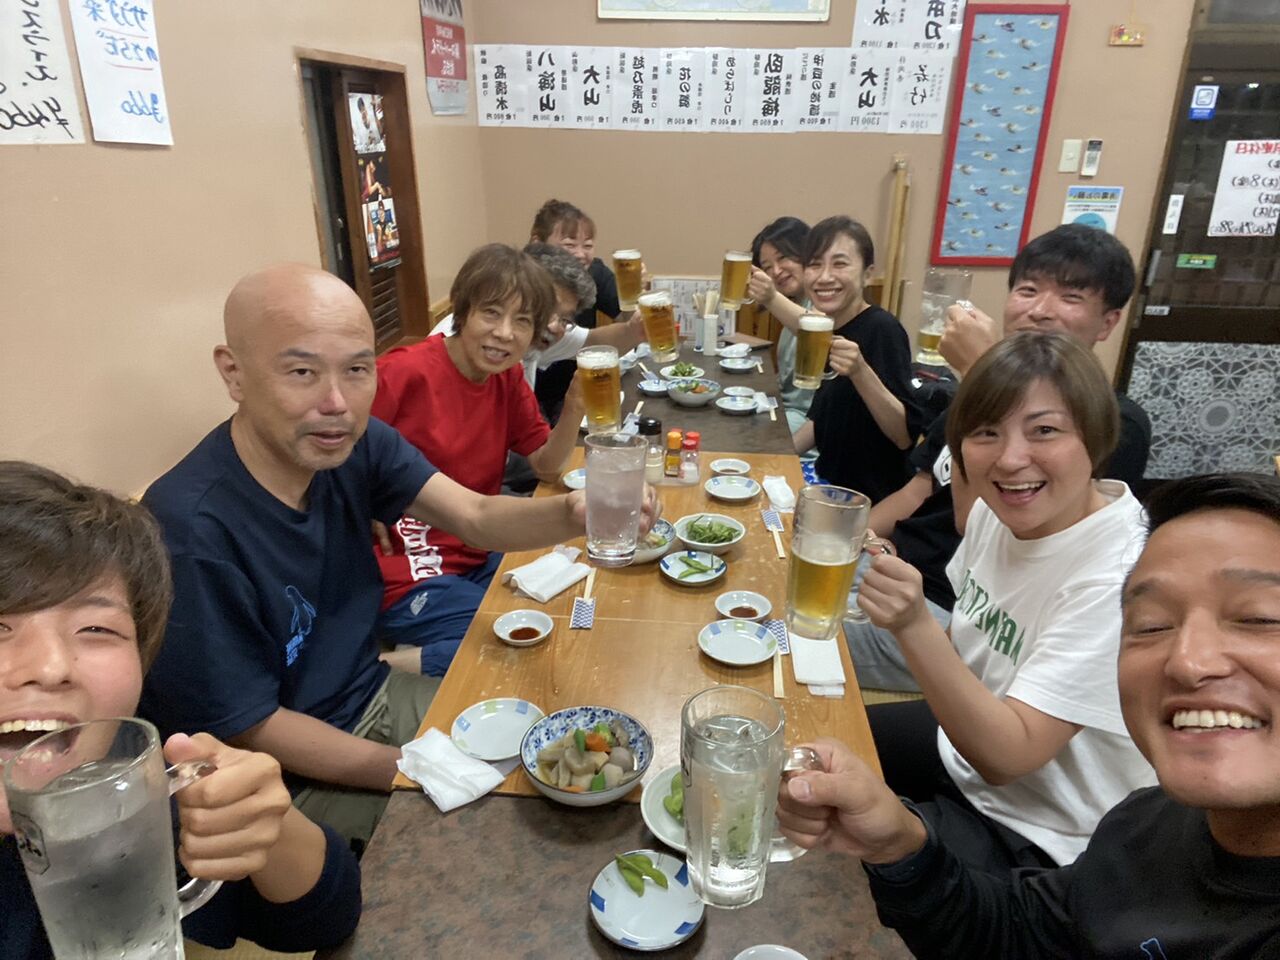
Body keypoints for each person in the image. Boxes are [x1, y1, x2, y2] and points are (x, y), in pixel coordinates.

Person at [138, 264, 655, 846]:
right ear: (234, 373)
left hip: (373, 691)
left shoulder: (353, 446)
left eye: (357, 370)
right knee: (507, 830)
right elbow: (253, 728)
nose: (336, 402)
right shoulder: (188, 531)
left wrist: (575, 512)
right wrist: (423, 771)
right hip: (281, 780)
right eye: (302, 372)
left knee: (567, 751)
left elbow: (474, 515)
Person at [777, 472, 1280, 958]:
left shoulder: (1100, 569)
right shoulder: (1148, 822)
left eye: (1259, 618)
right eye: (1152, 625)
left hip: (1030, 819)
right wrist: (901, 847)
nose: (1188, 661)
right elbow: (1023, 932)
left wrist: (911, 624)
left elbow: (1006, 758)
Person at [0, 462, 361, 959]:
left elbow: (323, 918)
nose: (51, 667)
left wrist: (264, 825)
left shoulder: (113, 798)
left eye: (97, 629)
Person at [854, 332, 1155, 873]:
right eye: (986, 432)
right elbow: (966, 642)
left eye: (1044, 430)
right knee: (817, 756)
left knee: (857, 865)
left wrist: (912, 623)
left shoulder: (1121, 575)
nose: (1012, 459)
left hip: (1048, 832)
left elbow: (1009, 758)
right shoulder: (997, 511)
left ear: (1095, 438)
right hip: (966, 750)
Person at [850, 223, 1152, 691]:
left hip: (957, 611)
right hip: (896, 570)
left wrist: (978, 370)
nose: (1040, 310)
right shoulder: (975, 398)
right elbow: (919, 488)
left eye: (1070, 297)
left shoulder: (1113, 421)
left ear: (1108, 322)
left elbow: (978, 518)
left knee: (786, 637)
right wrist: (851, 537)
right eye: (1028, 290)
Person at [372, 244, 585, 675]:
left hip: (474, 552)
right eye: (491, 313)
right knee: (514, 636)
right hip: (405, 573)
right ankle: (374, 669)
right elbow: (336, 449)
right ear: (462, 311)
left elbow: (546, 465)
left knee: (570, 609)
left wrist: (575, 407)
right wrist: (363, 503)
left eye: (522, 321)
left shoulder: (505, 377)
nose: (505, 333)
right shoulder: (403, 372)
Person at [791, 216, 923, 501]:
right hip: (827, 480)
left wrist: (860, 371)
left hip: (867, 498)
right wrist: (779, 456)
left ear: (867, 274)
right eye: (815, 264)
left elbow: (903, 436)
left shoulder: (882, 329)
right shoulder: (828, 327)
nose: (824, 277)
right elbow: (821, 417)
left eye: (839, 264)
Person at [529, 199, 623, 423]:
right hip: (528, 396)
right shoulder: (521, 282)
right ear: (537, 243)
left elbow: (623, 322)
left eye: (587, 246)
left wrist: (635, 298)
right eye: (569, 245)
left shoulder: (595, 272)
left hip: (570, 392)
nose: (580, 254)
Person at [745, 216, 813, 435]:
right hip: (784, 414)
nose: (775, 271)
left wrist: (771, 297)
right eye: (767, 267)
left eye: (783, 258)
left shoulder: (824, 306)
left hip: (806, 425)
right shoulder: (792, 309)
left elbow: (815, 330)